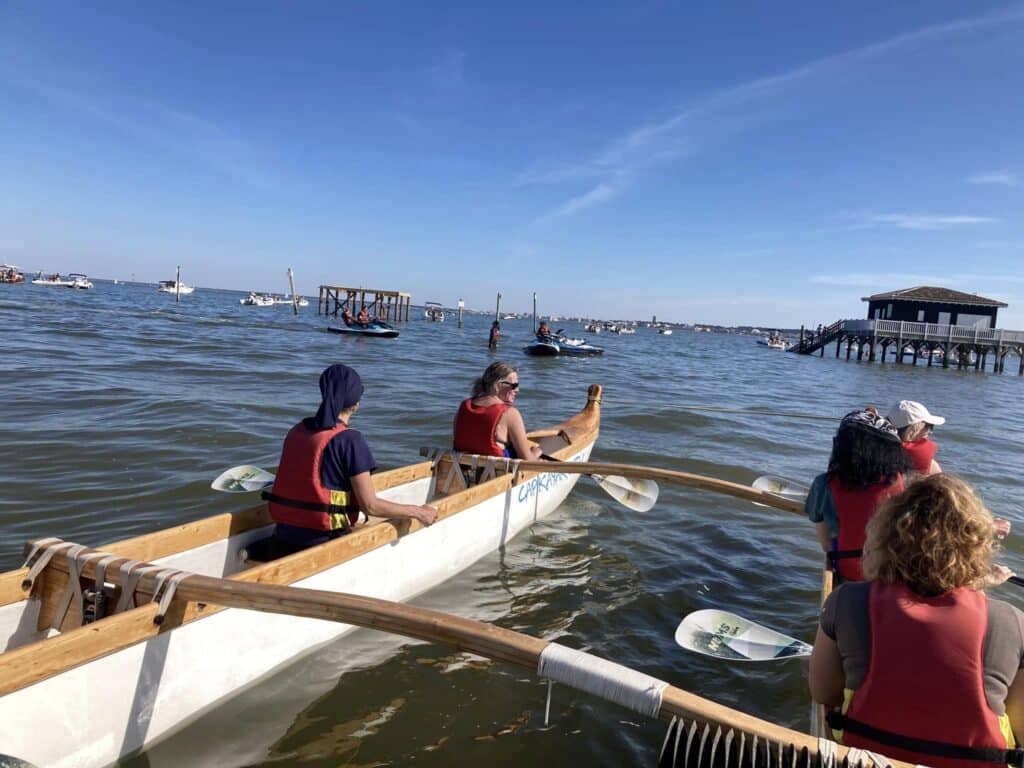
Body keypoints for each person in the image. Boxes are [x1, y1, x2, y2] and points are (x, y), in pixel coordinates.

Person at [809, 474, 1023, 768]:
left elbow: (823, 692)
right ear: (975, 547)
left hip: (867, 759)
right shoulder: (1011, 622)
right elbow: (1021, 728)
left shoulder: (846, 601)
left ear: (884, 538)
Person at [264, 364, 437, 554]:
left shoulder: (297, 431)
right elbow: (371, 506)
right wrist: (419, 512)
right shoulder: (350, 439)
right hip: (324, 541)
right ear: (356, 404)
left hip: (282, 536)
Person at [804, 409, 907, 581]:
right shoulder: (898, 482)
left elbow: (825, 544)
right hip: (888, 574)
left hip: (848, 573)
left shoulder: (823, 484)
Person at [453, 362, 550, 460]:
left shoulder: (464, 406)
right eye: (514, 385)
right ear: (497, 385)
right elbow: (527, 460)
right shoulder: (510, 414)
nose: (517, 390)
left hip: (462, 469)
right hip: (496, 472)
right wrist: (536, 452)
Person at [887, 399, 944, 476]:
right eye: (928, 426)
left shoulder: (875, 450)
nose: (930, 431)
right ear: (912, 428)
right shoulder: (931, 467)